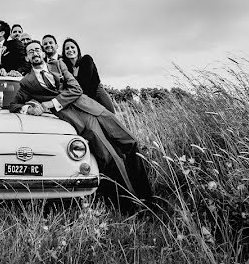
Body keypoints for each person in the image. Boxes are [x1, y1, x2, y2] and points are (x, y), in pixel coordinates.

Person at [10, 40, 154, 213]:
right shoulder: (27, 82)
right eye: (30, 51)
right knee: (110, 157)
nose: (34, 53)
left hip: (95, 109)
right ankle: (132, 206)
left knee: (130, 142)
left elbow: (76, 89)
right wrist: (29, 108)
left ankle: (147, 196)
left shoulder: (58, 64)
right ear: (27, 57)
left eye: (37, 50)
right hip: (78, 120)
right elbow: (13, 104)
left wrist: (49, 105)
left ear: (42, 53)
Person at [61, 38, 116, 112]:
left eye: (72, 47)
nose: (70, 50)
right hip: (80, 97)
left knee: (111, 116)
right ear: (64, 52)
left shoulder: (86, 59)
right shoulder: (66, 67)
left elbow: (87, 83)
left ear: (77, 49)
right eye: (67, 48)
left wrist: (90, 102)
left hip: (96, 91)